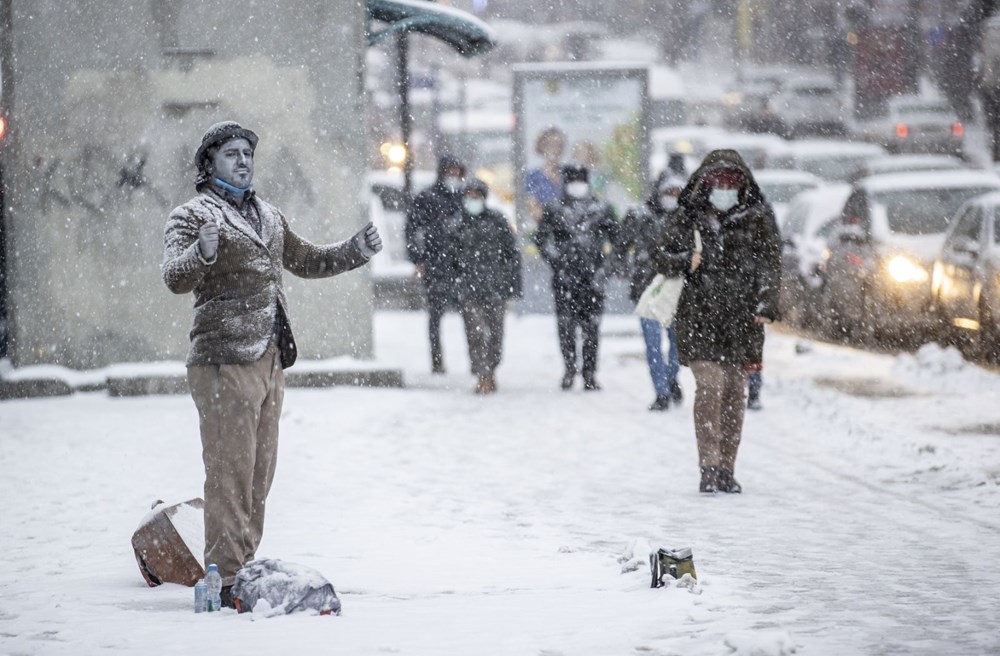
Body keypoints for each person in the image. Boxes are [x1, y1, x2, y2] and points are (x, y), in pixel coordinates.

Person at [162, 121, 382, 607]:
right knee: (228, 473)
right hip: (223, 358)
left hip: (269, 355)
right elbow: (174, 278)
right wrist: (202, 251)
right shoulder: (192, 215)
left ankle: (244, 566)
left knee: (260, 474)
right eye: (231, 154)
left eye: (247, 153)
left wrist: (354, 251)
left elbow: (305, 259)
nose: (243, 161)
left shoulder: (268, 214)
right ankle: (223, 577)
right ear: (209, 164)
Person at [650, 150, 780, 494]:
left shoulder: (758, 218)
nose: (724, 190)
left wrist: (767, 303)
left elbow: (770, 263)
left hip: (741, 321)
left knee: (736, 391)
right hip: (698, 317)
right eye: (718, 184)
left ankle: (727, 468)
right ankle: (708, 466)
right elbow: (660, 256)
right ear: (705, 185)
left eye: (731, 184)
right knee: (711, 385)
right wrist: (685, 261)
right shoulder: (687, 217)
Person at [535, 164, 620, 391]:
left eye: (581, 180)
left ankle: (590, 372)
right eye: (573, 180)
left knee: (591, 328)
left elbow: (617, 241)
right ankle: (570, 368)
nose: (577, 185)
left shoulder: (602, 207)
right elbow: (542, 239)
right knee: (566, 327)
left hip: (593, 278)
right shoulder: (554, 208)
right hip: (565, 278)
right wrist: (557, 260)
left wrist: (606, 268)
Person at [620, 171, 686, 411]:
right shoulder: (639, 216)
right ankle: (661, 391)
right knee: (653, 344)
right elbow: (621, 245)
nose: (673, 197)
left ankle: (670, 378)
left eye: (678, 193)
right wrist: (621, 267)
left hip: (678, 290)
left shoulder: (688, 219)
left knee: (677, 344)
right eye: (669, 192)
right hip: (647, 289)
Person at [453, 179, 522, 394]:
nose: (473, 200)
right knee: (474, 333)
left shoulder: (497, 220)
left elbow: (512, 254)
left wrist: (511, 285)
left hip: (495, 288)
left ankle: (491, 370)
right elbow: (451, 258)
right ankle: (481, 373)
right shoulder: (458, 223)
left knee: (495, 333)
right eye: (469, 195)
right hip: (468, 288)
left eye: (477, 195)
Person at [405, 155, 466, 374]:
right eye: (449, 173)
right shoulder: (427, 198)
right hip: (436, 265)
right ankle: (437, 359)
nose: (453, 177)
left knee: (470, 314)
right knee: (435, 315)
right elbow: (413, 231)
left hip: (462, 266)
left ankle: (476, 360)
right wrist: (419, 259)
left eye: (456, 173)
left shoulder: (465, 198)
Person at [524, 127, 566, 225]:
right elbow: (534, 211)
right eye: (551, 145)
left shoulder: (568, 174)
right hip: (546, 229)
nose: (555, 150)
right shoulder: (533, 177)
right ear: (542, 147)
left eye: (559, 145)